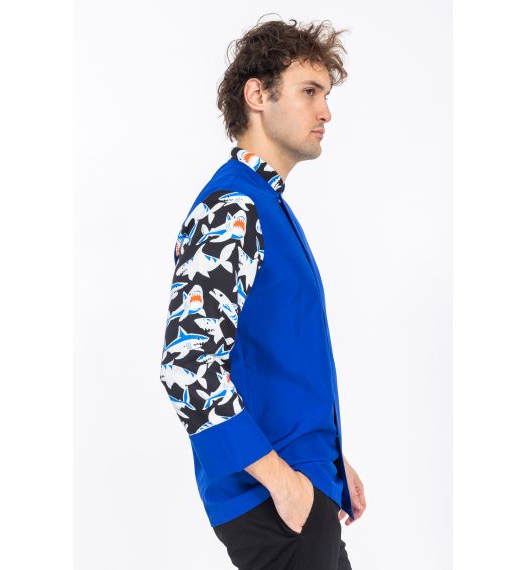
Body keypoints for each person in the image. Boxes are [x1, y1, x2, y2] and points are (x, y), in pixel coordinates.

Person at [160, 16, 367, 569]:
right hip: (276, 499)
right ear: (257, 96)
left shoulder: (265, 204)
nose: (326, 112)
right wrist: (282, 480)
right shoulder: (235, 207)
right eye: (309, 92)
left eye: (326, 95)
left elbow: (280, 357)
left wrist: (330, 461)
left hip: (301, 486)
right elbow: (187, 365)